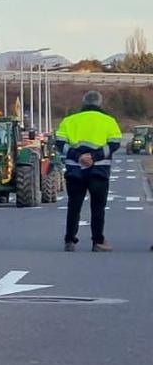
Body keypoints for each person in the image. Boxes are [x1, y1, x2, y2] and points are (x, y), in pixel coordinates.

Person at [56, 90, 122, 251]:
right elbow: (114, 144)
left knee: (74, 205)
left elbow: (60, 143)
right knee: (98, 207)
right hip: (99, 170)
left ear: (83, 103)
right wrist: (95, 157)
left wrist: (79, 157)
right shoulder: (109, 121)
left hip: (75, 170)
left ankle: (69, 241)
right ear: (100, 103)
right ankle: (98, 242)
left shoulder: (69, 121)